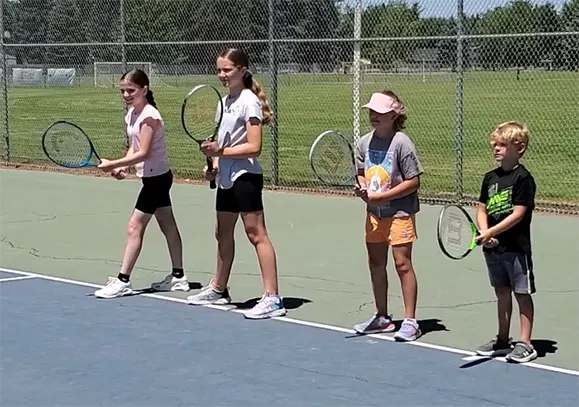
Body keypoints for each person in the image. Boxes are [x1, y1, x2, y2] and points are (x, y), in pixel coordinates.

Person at [186, 48, 286, 320]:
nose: (222, 75)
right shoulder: (225, 102)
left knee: (256, 234)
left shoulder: (249, 102)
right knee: (222, 232)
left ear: (242, 70)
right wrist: (214, 167)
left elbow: (254, 147)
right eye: (219, 70)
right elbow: (225, 143)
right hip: (227, 179)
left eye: (227, 70)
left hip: (246, 177)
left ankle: (273, 298)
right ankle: (219, 289)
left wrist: (220, 153)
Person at [93, 69, 189, 299]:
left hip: (156, 180)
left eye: (131, 90)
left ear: (144, 90)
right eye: (123, 91)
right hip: (155, 177)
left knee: (134, 226)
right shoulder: (132, 113)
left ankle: (123, 280)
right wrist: (121, 167)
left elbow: (144, 153)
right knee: (168, 225)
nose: (126, 95)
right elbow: (134, 147)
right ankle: (179, 277)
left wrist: (113, 163)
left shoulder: (149, 116)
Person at [352, 91, 422, 342]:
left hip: (400, 213)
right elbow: (361, 172)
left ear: (394, 115)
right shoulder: (363, 143)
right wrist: (362, 188)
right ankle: (381, 317)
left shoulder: (402, 142)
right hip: (374, 215)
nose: (373, 116)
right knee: (375, 263)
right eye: (371, 111)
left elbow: (414, 181)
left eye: (379, 112)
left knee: (402, 264)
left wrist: (385, 195)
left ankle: (411, 322)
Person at [474, 121, 537, 363]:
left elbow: (518, 214)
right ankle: (502, 340)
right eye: (495, 145)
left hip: (516, 249)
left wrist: (491, 232)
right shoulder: (490, 178)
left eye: (502, 145)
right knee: (501, 292)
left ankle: (525, 343)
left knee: (522, 293)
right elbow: (481, 208)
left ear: (518, 148)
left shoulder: (523, 179)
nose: (496, 149)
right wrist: (485, 231)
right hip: (493, 250)